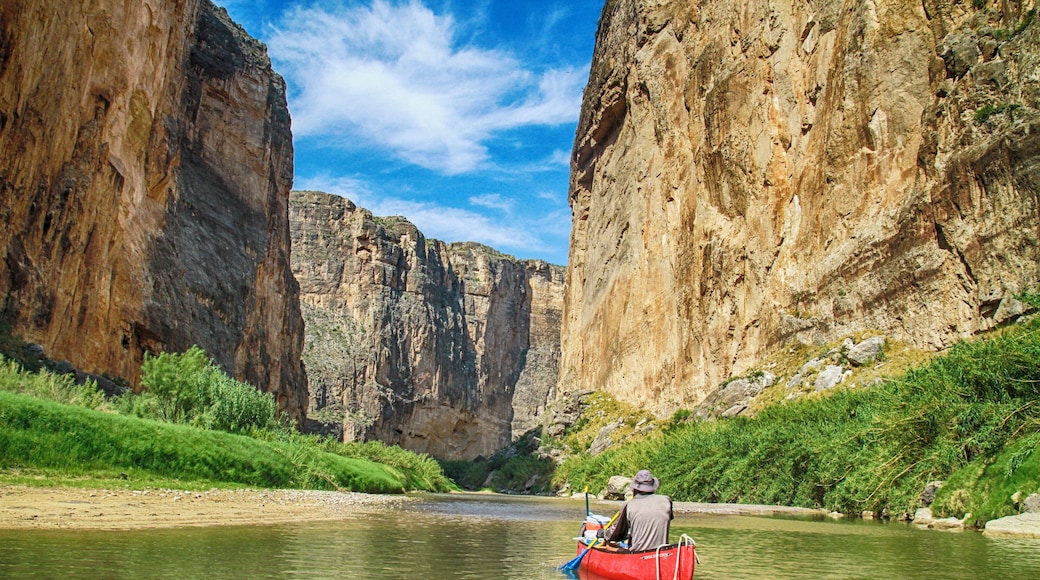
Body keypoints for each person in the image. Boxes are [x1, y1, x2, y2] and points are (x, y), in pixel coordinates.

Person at [605, 469, 673, 551]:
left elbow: (617, 535)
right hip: (662, 554)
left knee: (611, 546)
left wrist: (604, 533)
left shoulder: (629, 505)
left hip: (638, 555)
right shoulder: (666, 501)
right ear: (653, 488)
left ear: (635, 489)